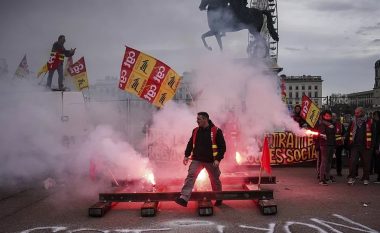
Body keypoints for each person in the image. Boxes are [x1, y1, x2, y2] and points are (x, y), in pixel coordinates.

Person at [175, 112, 226, 207]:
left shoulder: (216, 131)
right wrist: (186, 155)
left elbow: (222, 147)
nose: (197, 121)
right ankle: (184, 198)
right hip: (197, 160)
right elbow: (190, 143)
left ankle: (218, 197)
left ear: (205, 119)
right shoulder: (195, 131)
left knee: (215, 179)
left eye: (199, 119)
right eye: (197, 119)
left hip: (211, 161)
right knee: (190, 176)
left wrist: (218, 159)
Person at [347, 107, 373, 185]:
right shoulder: (353, 121)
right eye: (355, 113)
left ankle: (366, 178)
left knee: (366, 163)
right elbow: (349, 132)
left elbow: (374, 134)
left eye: (357, 113)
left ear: (362, 112)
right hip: (355, 145)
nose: (355, 114)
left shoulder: (369, 121)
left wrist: (373, 145)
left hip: (366, 145)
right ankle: (352, 177)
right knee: (352, 162)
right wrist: (348, 142)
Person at [317, 110, 336, 185]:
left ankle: (327, 177)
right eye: (327, 116)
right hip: (325, 145)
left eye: (329, 116)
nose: (328, 117)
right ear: (323, 116)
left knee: (329, 162)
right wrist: (323, 135)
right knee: (324, 161)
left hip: (331, 144)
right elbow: (321, 133)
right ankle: (321, 179)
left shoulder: (332, 124)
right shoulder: (322, 124)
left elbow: (334, 135)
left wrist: (334, 145)